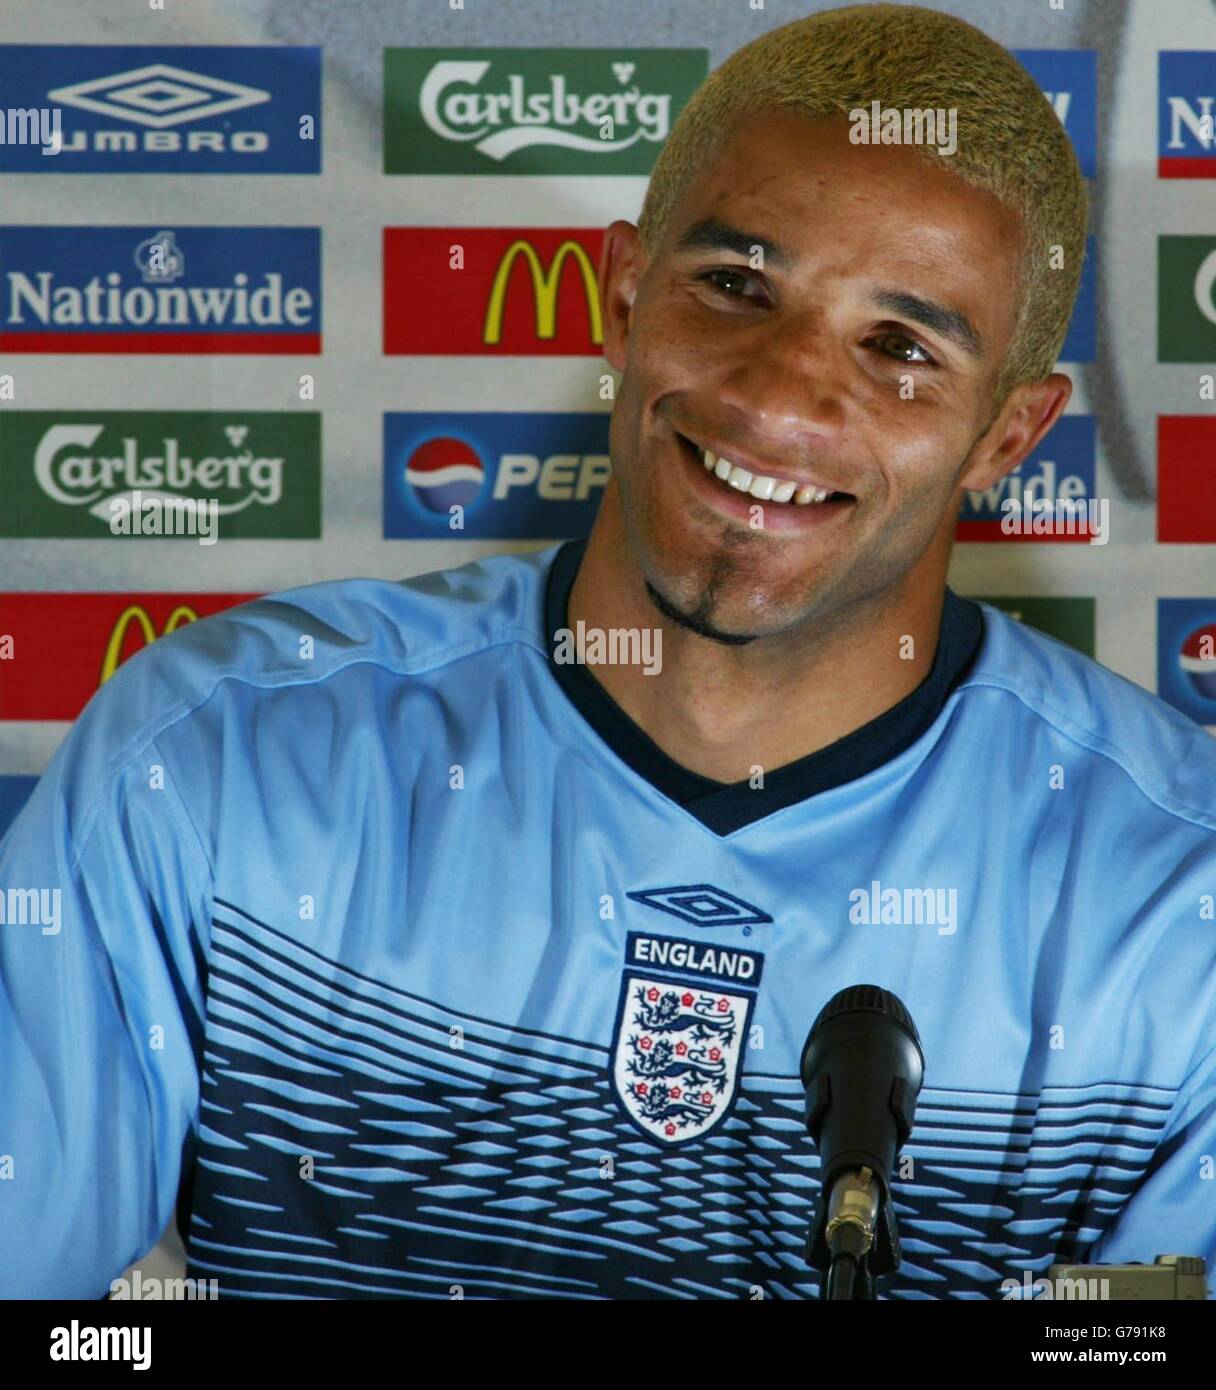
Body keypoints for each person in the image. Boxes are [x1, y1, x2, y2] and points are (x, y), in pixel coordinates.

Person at [2, 3, 1214, 1301]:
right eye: (737, 286)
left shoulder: (1172, 900)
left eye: (900, 348)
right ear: (624, 296)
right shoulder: (214, 757)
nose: (782, 394)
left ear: (1005, 441)